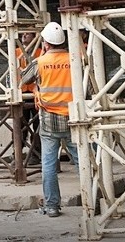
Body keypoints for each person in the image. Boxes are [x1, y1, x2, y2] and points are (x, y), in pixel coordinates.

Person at [21, 22, 78, 218]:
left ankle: (52, 206)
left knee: (49, 165)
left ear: (45, 43)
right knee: (84, 163)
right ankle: (95, 199)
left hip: (49, 121)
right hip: (74, 119)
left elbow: (24, 79)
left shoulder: (40, 62)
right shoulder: (75, 58)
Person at [15, 31, 42, 166]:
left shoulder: (39, 52)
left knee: (37, 125)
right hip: (21, 93)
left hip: (35, 93)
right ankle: (18, 153)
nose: (24, 36)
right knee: (20, 125)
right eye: (22, 34)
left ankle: (36, 153)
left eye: (27, 34)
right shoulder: (15, 52)